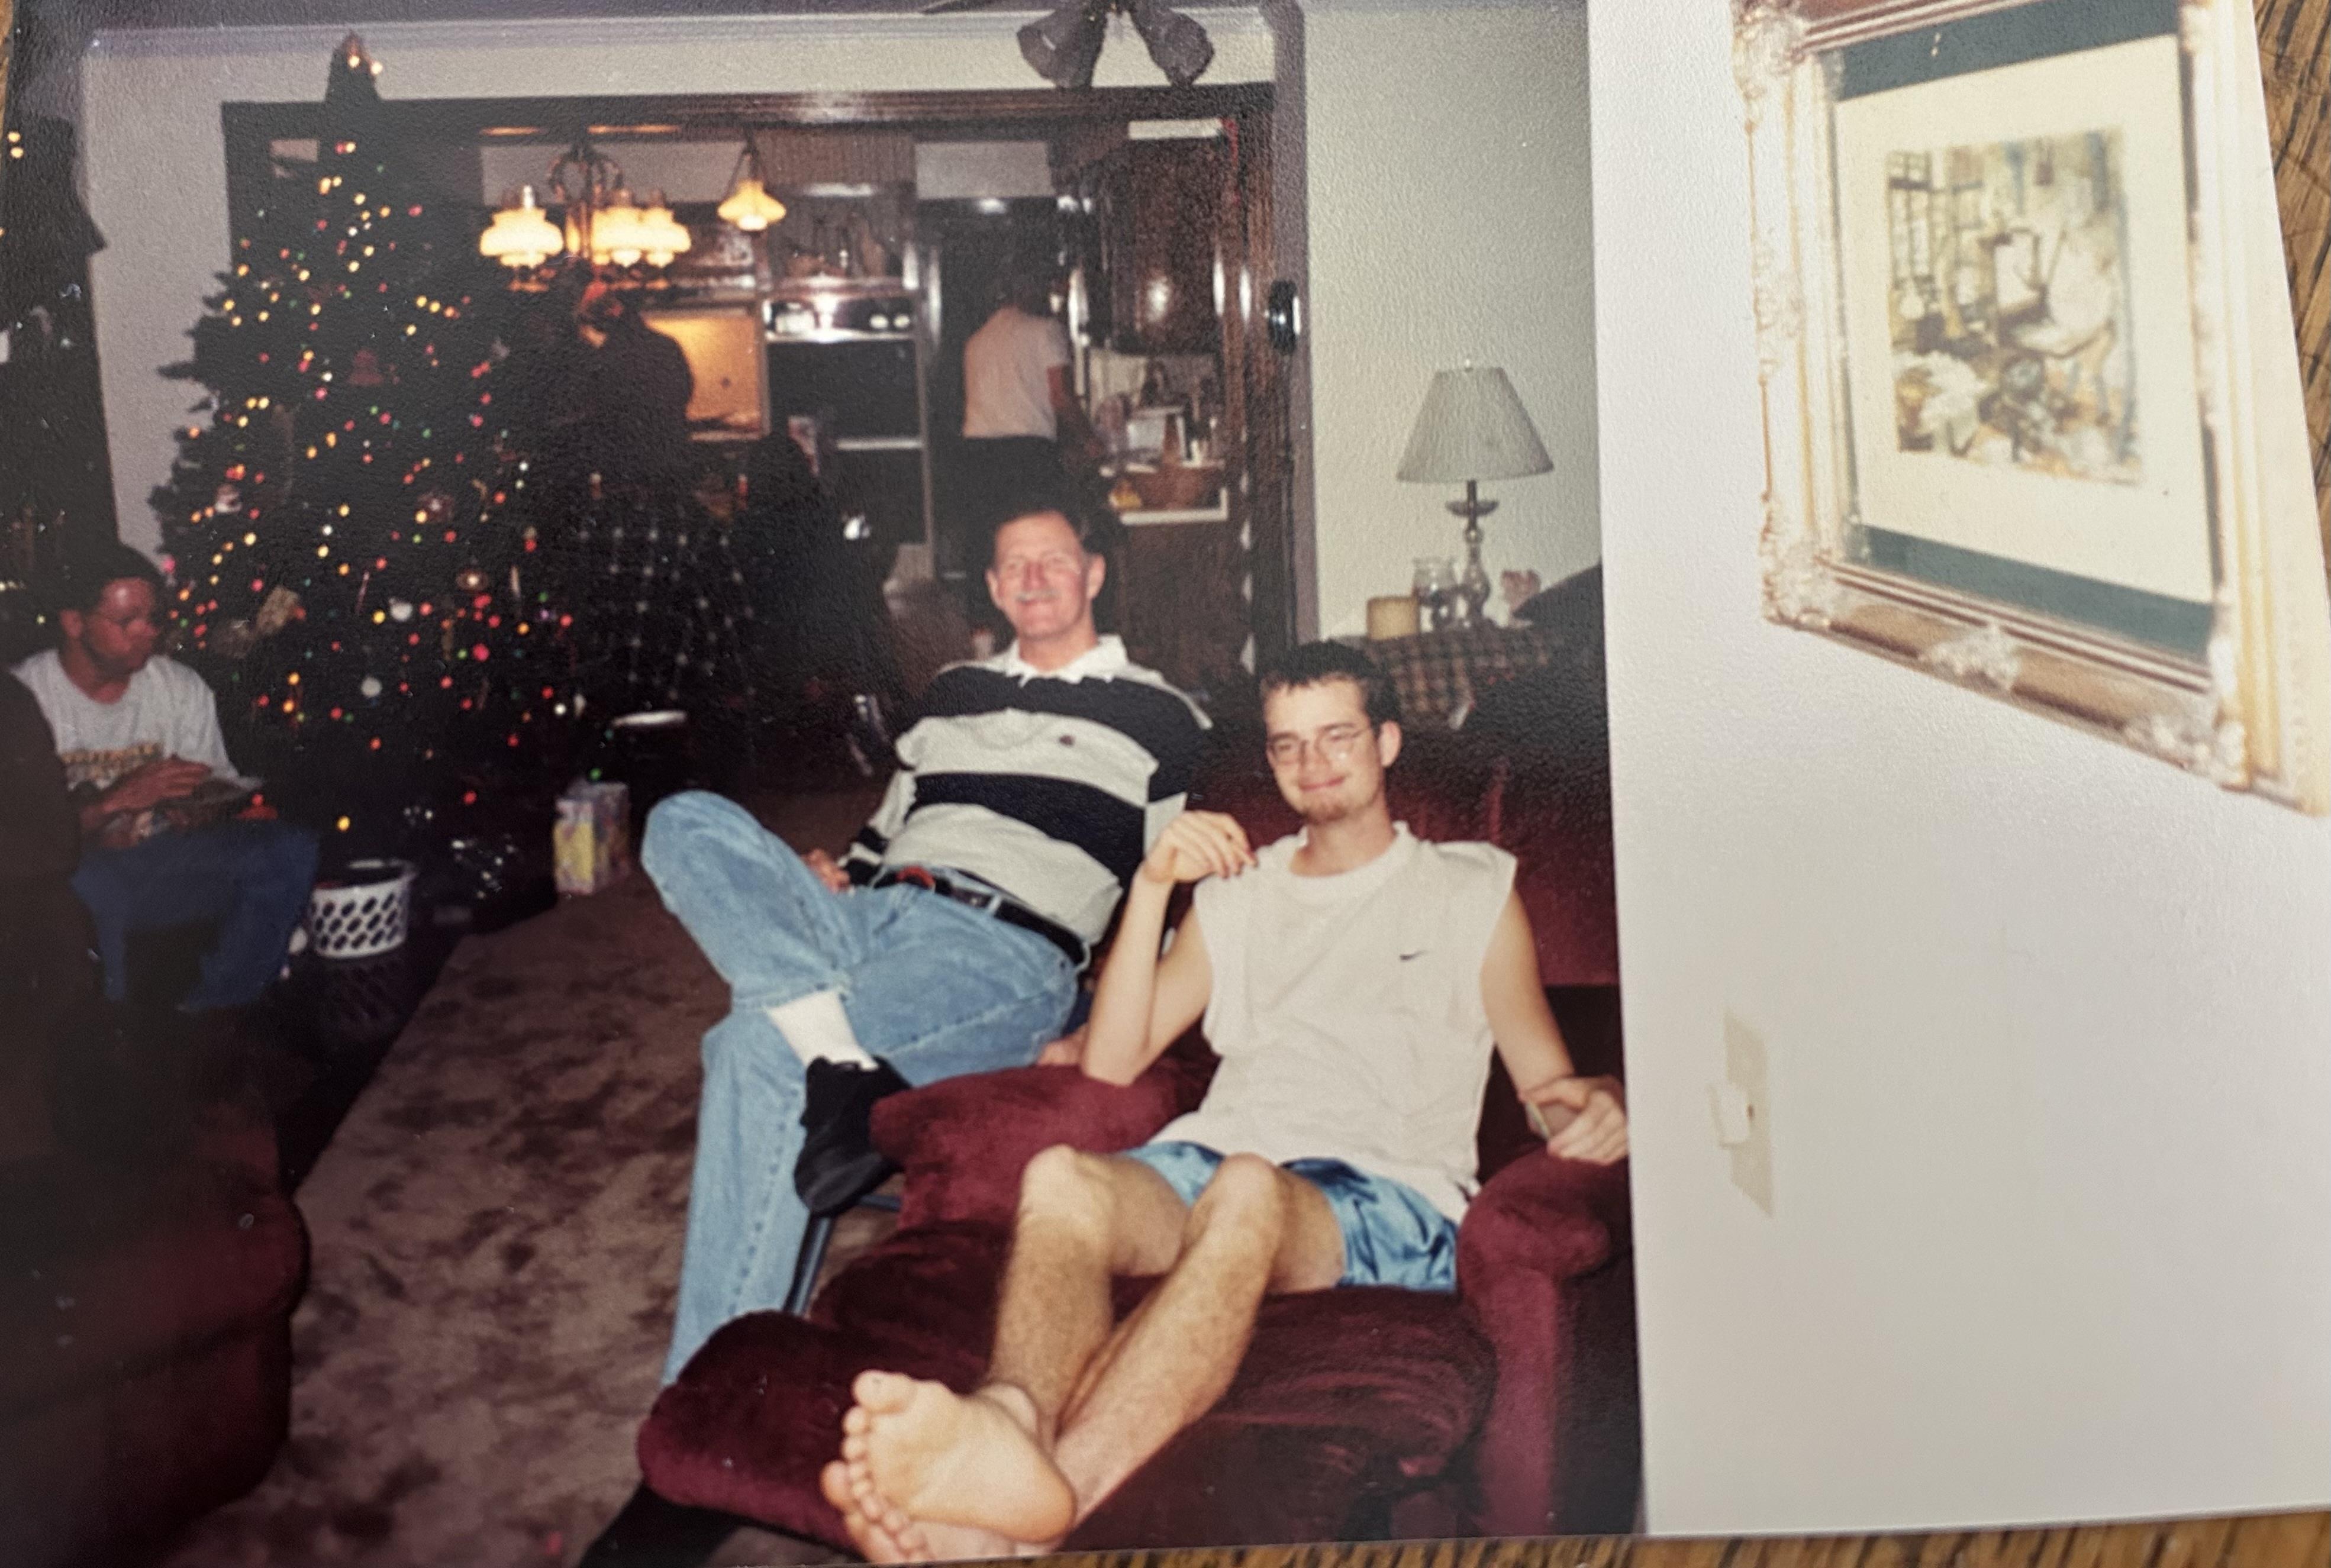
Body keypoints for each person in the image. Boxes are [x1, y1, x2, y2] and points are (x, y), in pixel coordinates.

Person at [820, 641, 1630, 1562]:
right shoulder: (1236, 892)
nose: (1311, 763)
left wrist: (1598, 1098)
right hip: (1212, 1161)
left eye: (1336, 737)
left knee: (1244, 1187)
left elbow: (1545, 1085)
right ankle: (1008, 1424)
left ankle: (1055, 1505)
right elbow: (1114, 1060)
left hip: (1386, 1195)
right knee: (1062, 1178)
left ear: (1386, 742)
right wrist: (1152, 885)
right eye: (1286, 745)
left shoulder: (1469, 886)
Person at [641, 484, 1208, 1383]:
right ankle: (837, 1058)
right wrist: (838, 874)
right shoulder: (950, 691)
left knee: (755, 1045)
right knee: (684, 818)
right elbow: (890, 824)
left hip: (1000, 944)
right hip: (872, 911)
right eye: (1014, 565)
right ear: (993, 586)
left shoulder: (1166, 716)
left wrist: (1102, 1021)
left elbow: (1179, 895)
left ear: (1094, 573)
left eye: (1054, 559)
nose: (1034, 578)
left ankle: (712, 1386)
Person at [12, 544, 318, 1012]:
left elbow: (215, 784)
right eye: (127, 621)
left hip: (163, 859)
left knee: (288, 849)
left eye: (154, 618)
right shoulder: (22, 699)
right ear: (74, 623)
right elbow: (24, 842)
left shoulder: (178, 687)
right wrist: (116, 801)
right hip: (74, 874)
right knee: (95, 885)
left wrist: (199, 809)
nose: (149, 633)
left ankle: (218, 1008)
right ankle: (105, 1030)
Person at [956, 275, 1097, 571]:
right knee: (1032, 543)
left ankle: (983, 601)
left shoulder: (976, 340)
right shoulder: (1046, 331)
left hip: (976, 456)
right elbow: (1061, 397)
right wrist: (1089, 440)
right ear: (1030, 290)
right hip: (1026, 456)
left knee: (987, 546)